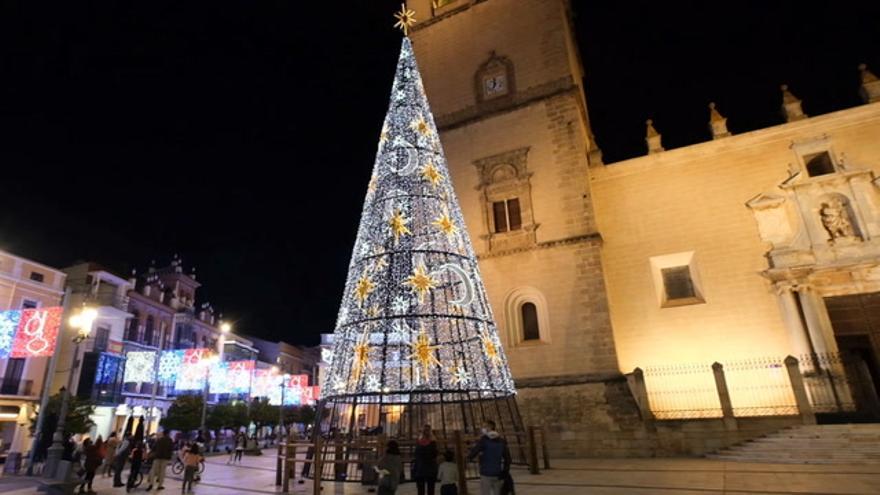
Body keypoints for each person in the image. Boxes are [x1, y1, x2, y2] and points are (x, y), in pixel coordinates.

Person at [467, 421, 511, 495]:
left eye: (484, 427)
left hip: (486, 472)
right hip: (498, 472)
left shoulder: (484, 440)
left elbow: (473, 453)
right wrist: (505, 471)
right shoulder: (502, 441)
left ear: (490, 427)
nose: (482, 429)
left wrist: (469, 457)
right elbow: (508, 458)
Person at [413, 424, 439, 495]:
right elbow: (435, 454)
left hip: (420, 468)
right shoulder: (433, 443)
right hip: (431, 469)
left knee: (420, 491)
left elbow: (416, 455)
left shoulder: (419, 443)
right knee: (431, 490)